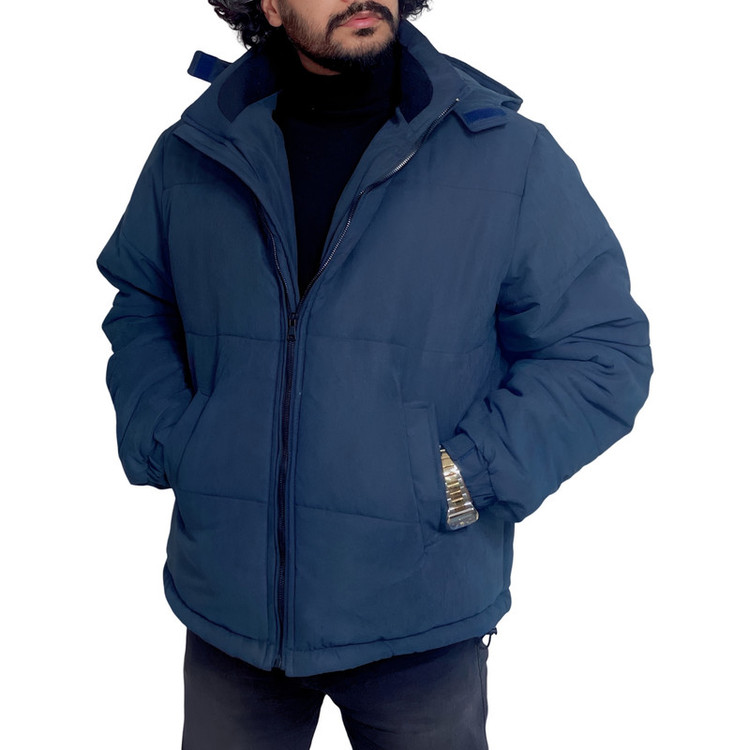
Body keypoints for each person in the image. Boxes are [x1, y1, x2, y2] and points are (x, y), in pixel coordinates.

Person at [97, 0, 652, 747]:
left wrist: (459, 477)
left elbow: (601, 350)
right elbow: (143, 302)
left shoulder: (505, 156)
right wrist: (172, 439)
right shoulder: (195, 152)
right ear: (268, 5)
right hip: (231, 609)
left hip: (418, 618)